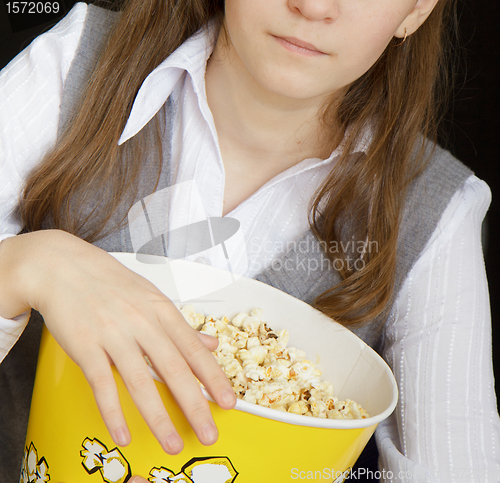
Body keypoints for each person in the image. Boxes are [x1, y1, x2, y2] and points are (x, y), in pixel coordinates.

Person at [0, 0, 498, 481]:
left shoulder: (435, 215)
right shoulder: (73, 69)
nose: (313, 5)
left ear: (415, 9)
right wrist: (29, 264)